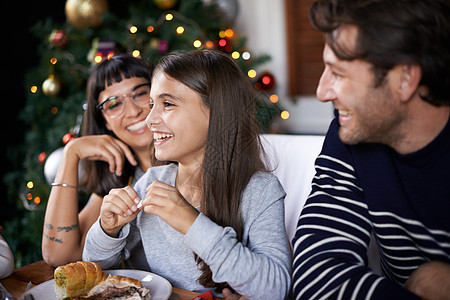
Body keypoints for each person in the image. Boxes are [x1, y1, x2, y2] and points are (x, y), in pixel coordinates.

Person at [83, 50, 291, 299]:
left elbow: (276, 288)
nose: (149, 119)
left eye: (167, 104)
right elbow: (97, 267)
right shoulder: (152, 182)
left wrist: (191, 223)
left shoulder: (260, 190)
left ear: (216, 112)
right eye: (152, 104)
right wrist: (108, 230)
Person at [291, 0, 450, 299]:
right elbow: (318, 276)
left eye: (337, 73)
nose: (321, 92)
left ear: (405, 79)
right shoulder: (352, 131)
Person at [42, 54, 156, 267]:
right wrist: (71, 152)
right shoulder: (121, 178)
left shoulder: (193, 161)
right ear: (105, 122)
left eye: (140, 94)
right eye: (113, 105)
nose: (133, 111)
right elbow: (58, 256)